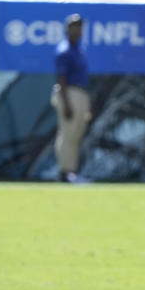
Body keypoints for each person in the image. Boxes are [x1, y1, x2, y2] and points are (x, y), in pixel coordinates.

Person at [52, 14, 91, 183]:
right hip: (68, 93)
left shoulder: (79, 50)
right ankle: (65, 172)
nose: (78, 30)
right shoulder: (64, 50)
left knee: (76, 134)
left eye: (80, 27)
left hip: (81, 93)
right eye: (74, 26)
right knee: (67, 133)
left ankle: (71, 171)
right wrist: (66, 103)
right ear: (67, 29)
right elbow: (61, 79)